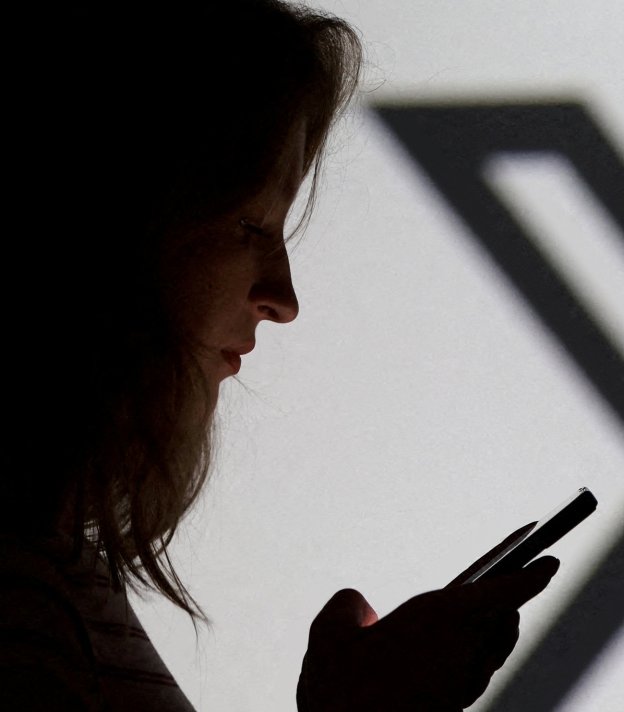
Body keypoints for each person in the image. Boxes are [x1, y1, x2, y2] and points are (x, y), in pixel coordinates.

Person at [1, 2, 558, 710]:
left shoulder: (57, 579)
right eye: (249, 224)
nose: (282, 297)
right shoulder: (25, 606)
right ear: (109, 223)